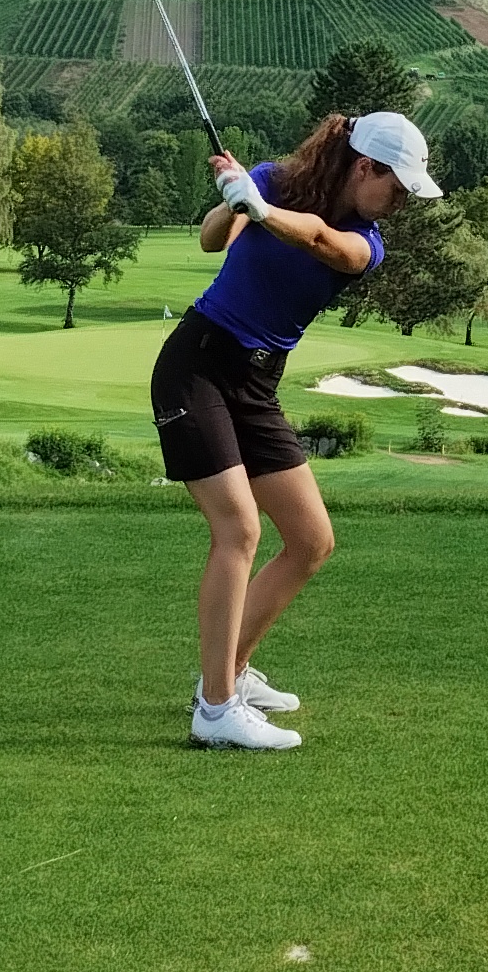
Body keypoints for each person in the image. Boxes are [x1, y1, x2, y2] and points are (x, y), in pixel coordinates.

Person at [154, 107, 436, 749]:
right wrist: (234, 200)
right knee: (239, 529)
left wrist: (259, 206)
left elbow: (313, 239)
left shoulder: (366, 243)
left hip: (256, 385)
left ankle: (228, 672)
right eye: (396, 187)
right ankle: (216, 709)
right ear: (365, 166)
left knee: (310, 540)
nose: (399, 203)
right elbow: (209, 240)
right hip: (198, 365)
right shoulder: (273, 181)